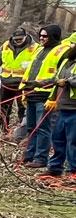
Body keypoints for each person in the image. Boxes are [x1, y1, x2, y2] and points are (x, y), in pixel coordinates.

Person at [19, 24, 69, 168]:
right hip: (31, 94)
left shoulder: (62, 52)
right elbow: (30, 70)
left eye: (45, 36)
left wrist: (52, 96)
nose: (41, 38)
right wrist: (25, 90)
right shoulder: (39, 50)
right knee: (31, 127)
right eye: (40, 35)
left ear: (53, 36)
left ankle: (40, 158)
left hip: (46, 95)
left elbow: (61, 76)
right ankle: (29, 156)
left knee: (42, 128)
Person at [0, 28, 36, 135]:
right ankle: (3, 130)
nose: (17, 41)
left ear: (26, 36)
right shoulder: (6, 45)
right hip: (6, 83)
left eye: (20, 39)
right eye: (16, 39)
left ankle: (22, 132)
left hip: (24, 84)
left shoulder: (35, 48)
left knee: (23, 108)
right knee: (4, 108)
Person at [43, 45, 76, 182]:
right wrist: (38, 84)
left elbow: (68, 81)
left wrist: (68, 81)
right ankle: (55, 168)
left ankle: (73, 170)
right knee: (57, 138)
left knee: (73, 141)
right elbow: (56, 79)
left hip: (74, 108)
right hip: (62, 107)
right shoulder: (65, 62)